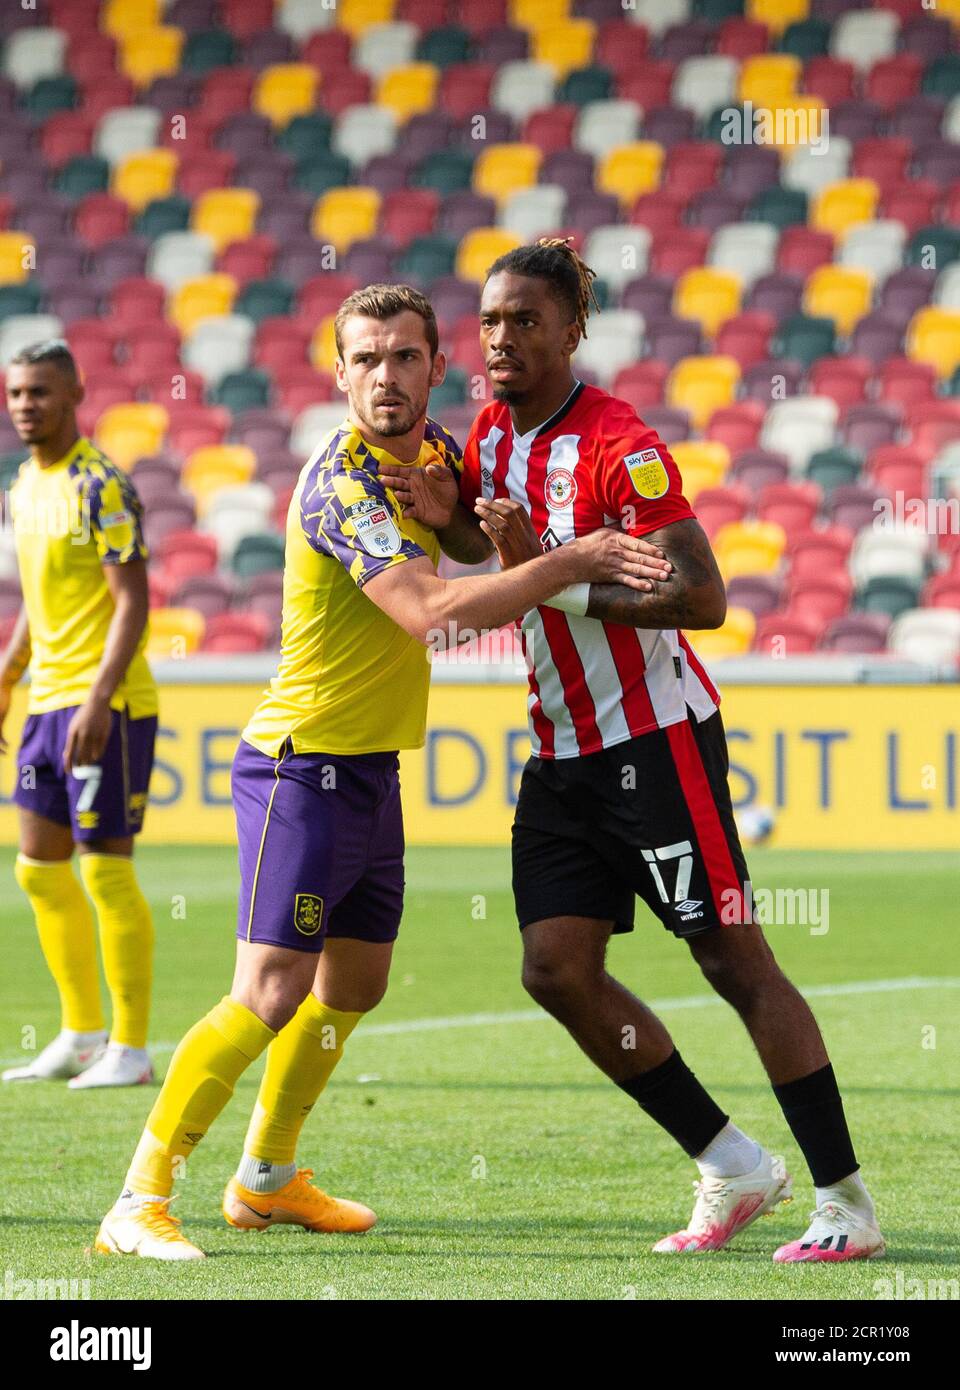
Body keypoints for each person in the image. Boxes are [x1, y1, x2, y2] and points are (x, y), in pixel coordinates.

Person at [93, 283, 667, 1260]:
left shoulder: (436, 452)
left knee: (353, 985)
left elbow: (471, 547)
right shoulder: (340, 485)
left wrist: (468, 526)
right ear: (340, 373)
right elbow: (435, 613)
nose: (387, 376)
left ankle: (266, 1175)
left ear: (437, 368)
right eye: (366, 360)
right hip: (298, 766)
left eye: (406, 356)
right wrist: (572, 563)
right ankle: (139, 1196)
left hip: (368, 767)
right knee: (269, 992)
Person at [380, 241, 885, 1264]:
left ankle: (846, 1201)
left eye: (527, 320)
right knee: (554, 967)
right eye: (489, 322)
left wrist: (552, 573)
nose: (503, 340)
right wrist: (463, 533)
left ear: (573, 330)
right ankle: (732, 1163)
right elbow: (502, 558)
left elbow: (703, 599)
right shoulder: (487, 431)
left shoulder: (621, 444)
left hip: (658, 744)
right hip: (560, 750)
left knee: (734, 960)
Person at [0, 340, 156, 1090]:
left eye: (39, 392)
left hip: (106, 704)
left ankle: (129, 1048)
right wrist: (8, 675)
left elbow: (133, 601)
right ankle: (79, 1031)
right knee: (38, 871)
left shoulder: (103, 487)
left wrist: (97, 699)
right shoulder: (24, 482)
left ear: (74, 394)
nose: (26, 404)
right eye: (16, 393)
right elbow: (36, 596)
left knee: (105, 874)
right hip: (45, 704)